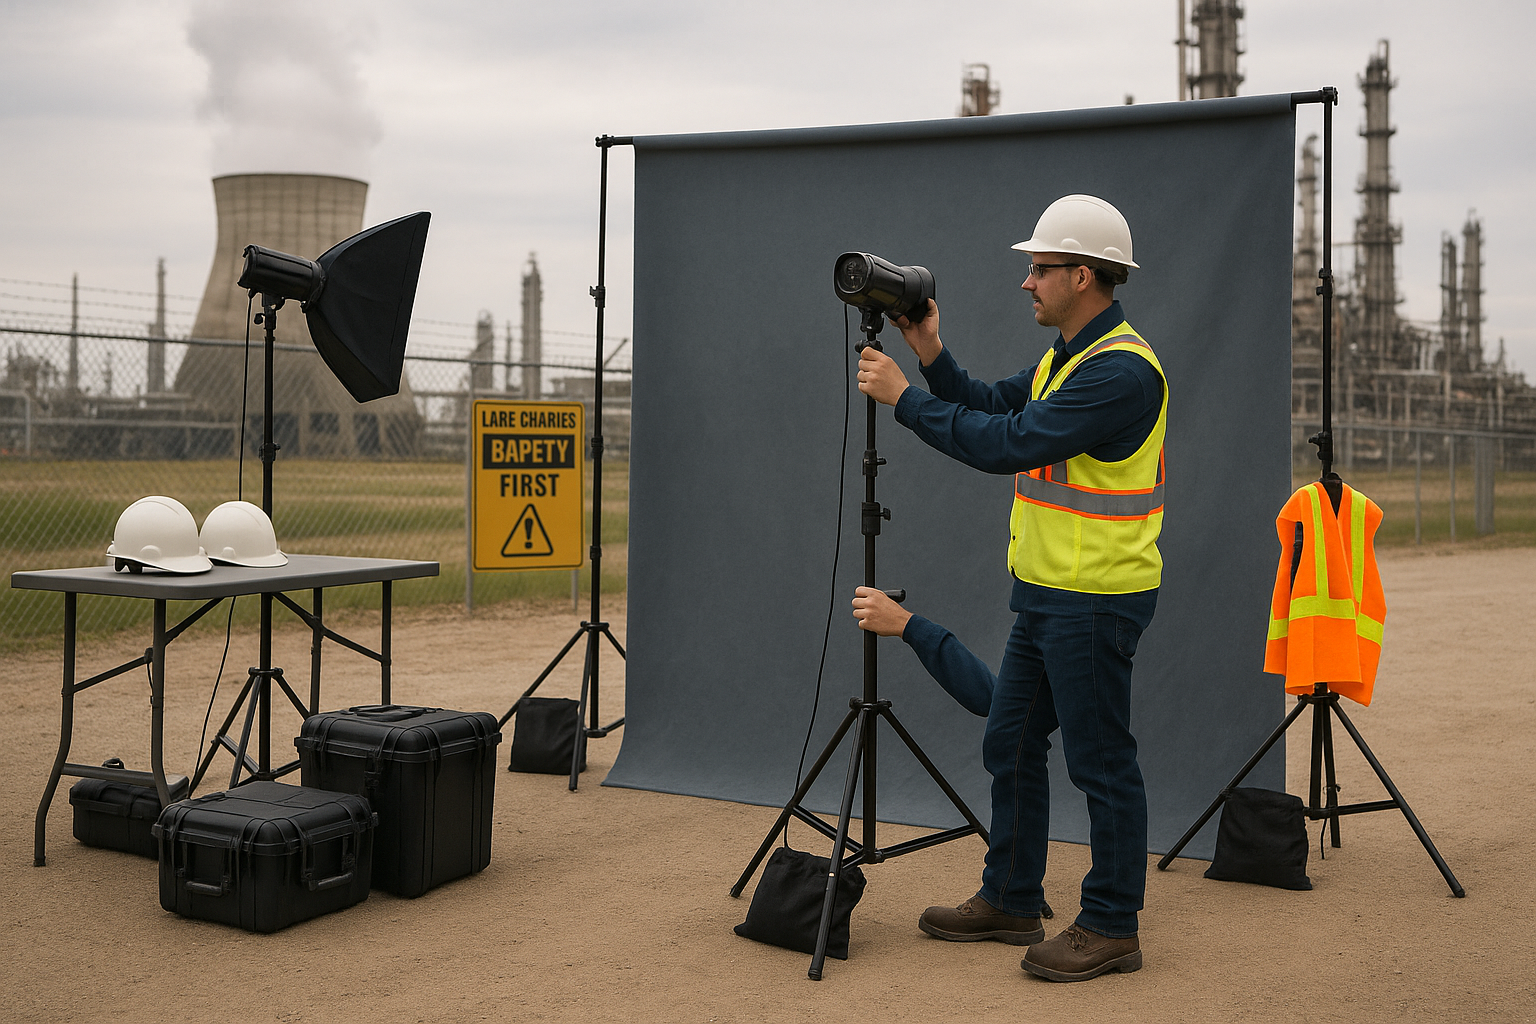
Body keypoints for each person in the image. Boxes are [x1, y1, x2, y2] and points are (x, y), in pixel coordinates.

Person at [851, 194, 1167, 983]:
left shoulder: (1121, 372)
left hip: (1095, 597)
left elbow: (1009, 444)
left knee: (1101, 762)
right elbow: (993, 403)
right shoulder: (1071, 356)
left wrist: (904, 399)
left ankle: (1112, 924)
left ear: (1082, 274)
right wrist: (929, 352)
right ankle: (1013, 897)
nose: (1027, 282)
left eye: (1040, 267)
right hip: (1048, 590)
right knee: (1011, 738)